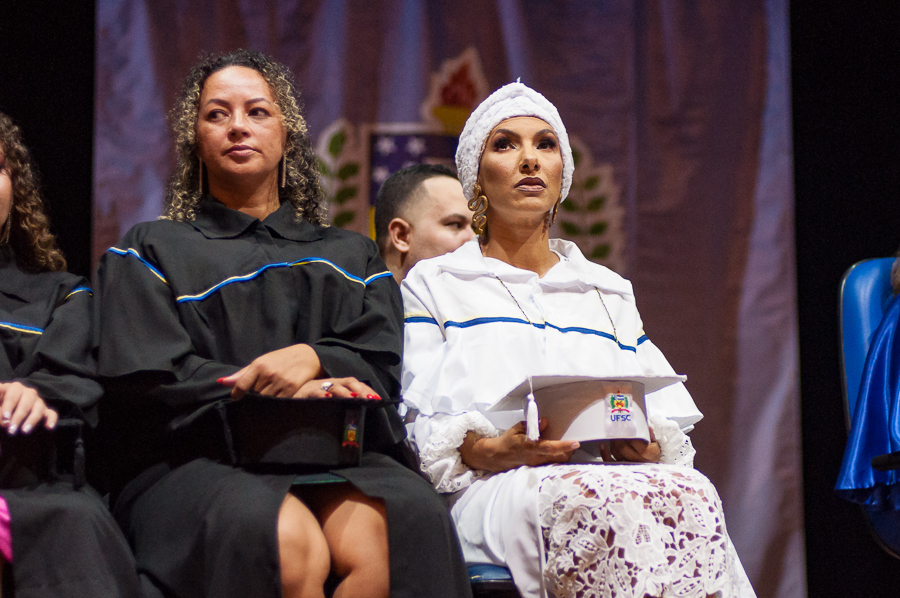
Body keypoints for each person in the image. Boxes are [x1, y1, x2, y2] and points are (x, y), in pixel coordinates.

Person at [95, 50, 471, 598]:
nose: (238, 126)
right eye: (217, 114)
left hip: (335, 453)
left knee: (393, 530)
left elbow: (380, 358)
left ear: (288, 134)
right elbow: (146, 374)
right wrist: (272, 384)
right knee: (288, 542)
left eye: (257, 112)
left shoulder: (347, 254)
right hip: (196, 460)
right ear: (194, 138)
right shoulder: (150, 249)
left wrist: (314, 359)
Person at [400, 83, 756, 598]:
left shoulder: (606, 290)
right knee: (592, 498)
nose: (529, 160)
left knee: (692, 491)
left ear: (563, 172)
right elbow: (417, 420)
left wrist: (643, 442)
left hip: (605, 473)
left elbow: (651, 414)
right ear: (475, 179)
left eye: (545, 145)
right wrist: (493, 449)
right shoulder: (436, 285)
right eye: (505, 145)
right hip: (492, 489)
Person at [0, 112, 143, 597]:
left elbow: (75, 380)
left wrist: (33, 392)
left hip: (33, 489)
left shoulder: (62, 295)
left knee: (76, 522)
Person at [374, 164, 474, 282]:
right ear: (401, 236)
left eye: (475, 228)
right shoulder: (351, 297)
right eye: (456, 224)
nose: (474, 238)